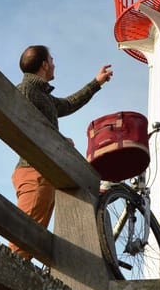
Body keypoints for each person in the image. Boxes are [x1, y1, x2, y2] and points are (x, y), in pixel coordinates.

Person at [10, 44, 113, 258]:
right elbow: (27, 126)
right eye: (52, 60)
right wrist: (58, 139)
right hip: (34, 171)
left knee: (32, 239)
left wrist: (96, 83)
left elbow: (68, 104)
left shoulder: (41, 93)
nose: (55, 64)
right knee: (23, 239)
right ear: (45, 65)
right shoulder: (27, 89)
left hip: (43, 173)